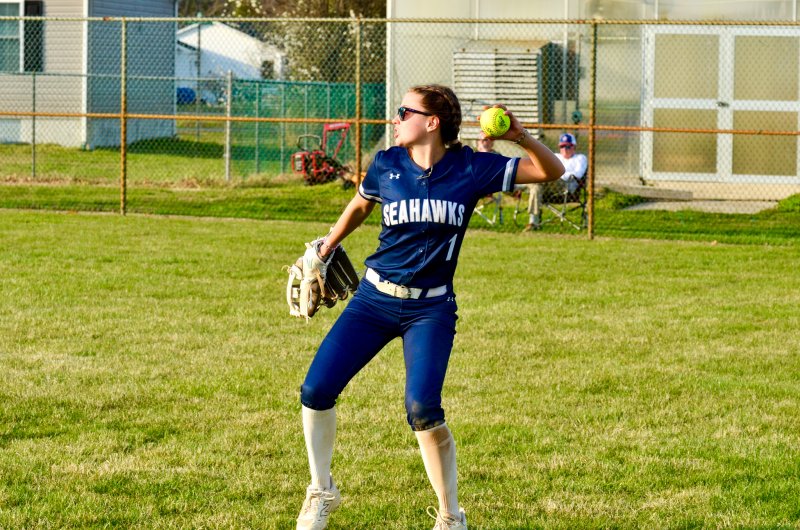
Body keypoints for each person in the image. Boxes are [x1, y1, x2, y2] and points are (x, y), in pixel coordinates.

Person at [295, 84, 564, 530]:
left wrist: (519, 136)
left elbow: (550, 171)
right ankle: (321, 490)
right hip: (374, 300)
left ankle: (450, 516)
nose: (396, 119)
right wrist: (325, 248)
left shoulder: (472, 168)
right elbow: (360, 205)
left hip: (431, 310)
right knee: (315, 390)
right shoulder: (387, 163)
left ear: (432, 122)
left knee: (422, 408)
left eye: (405, 111)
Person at [524, 132, 588, 231]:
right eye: (562, 146)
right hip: (548, 186)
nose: (565, 149)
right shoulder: (556, 156)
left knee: (539, 178)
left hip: (566, 187)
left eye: (568, 146)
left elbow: (578, 174)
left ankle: (520, 185)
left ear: (574, 146)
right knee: (536, 187)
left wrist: (558, 173)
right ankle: (533, 222)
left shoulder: (580, 158)